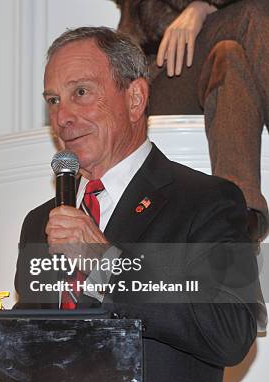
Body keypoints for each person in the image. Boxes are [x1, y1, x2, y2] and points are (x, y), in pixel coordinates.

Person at [0, 27, 261, 382]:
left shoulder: (207, 200)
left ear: (135, 98)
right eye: (53, 100)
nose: (63, 117)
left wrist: (105, 263)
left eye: (81, 93)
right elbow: (43, 347)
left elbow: (231, 333)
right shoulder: (41, 220)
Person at [112, 0, 269, 242]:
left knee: (228, 56)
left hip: (210, 56)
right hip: (156, 76)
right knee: (254, 13)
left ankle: (237, 214)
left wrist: (201, 8)